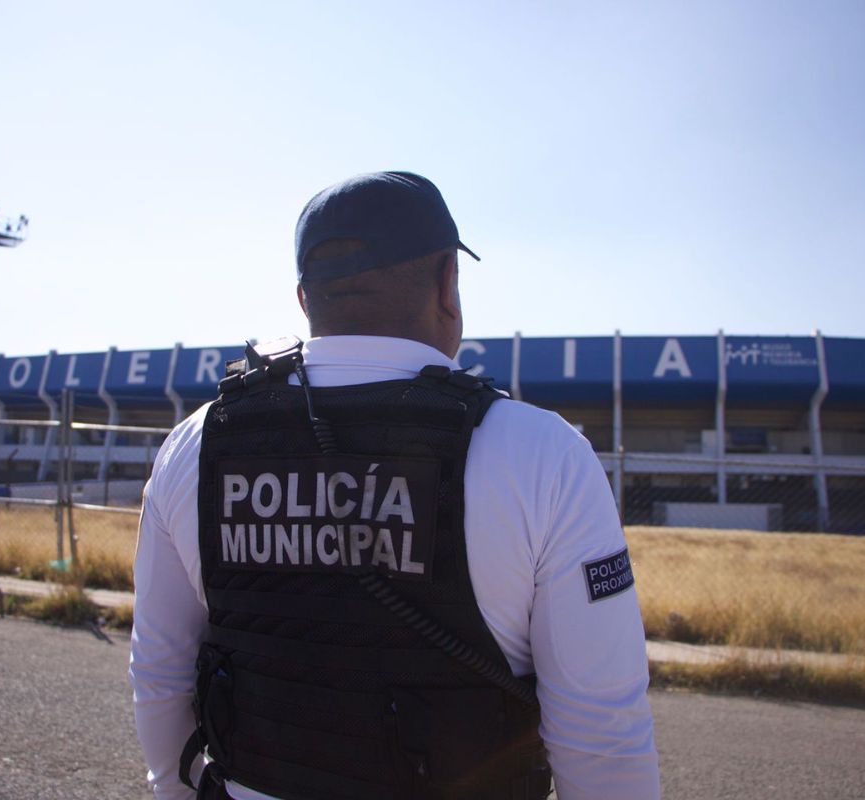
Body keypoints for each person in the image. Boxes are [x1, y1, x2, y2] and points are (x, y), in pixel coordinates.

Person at [130, 171, 660, 800]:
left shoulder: (193, 444)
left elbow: (160, 672)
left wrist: (173, 791)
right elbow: (602, 735)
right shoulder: (544, 456)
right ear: (448, 283)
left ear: (305, 299)